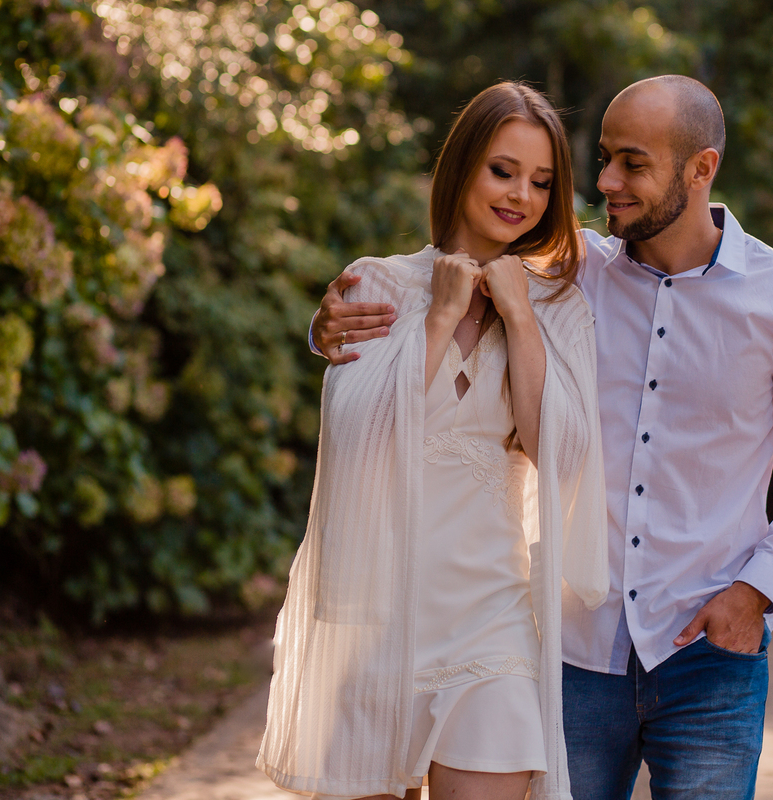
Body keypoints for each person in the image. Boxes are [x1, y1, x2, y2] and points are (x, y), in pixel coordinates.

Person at [310, 75, 773, 800]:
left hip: (707, 647)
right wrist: (325, 332)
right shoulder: (571, 277)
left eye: (632, 163)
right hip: (572, 648)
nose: (604, 182)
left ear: (701, 169)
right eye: (603, 158)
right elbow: (437, 283)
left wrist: (756, 593)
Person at [257, 82, 609, 800]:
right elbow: (357, 445)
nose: (522, 196)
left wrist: (519, 315)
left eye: (543, 182)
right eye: (503, 170)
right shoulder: (375, 282)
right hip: (370, 616)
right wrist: (441, 318)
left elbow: (559, 454)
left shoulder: (556, 306)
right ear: (462, 168)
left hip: (493, 625)